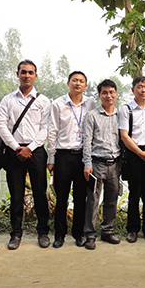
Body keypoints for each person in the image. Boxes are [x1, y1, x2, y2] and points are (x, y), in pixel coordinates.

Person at [0, 60, 51, 250]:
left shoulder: (43, 101)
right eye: (23, 72)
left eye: (30, 72)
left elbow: (46, 128)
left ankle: (43, 232)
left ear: (35, 75)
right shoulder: (7, 100)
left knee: (40, 193)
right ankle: (16, 233)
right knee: (16, 195)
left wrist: (31, 147)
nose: (27, 75)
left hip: (36, 152)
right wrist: (15, 147)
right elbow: (1, 125)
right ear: (17, 74)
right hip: (14, 152)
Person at [47, 71, 96, 248]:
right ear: (68, 83)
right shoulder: (57, 104)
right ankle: (59, 235)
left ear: (86, 85)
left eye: (81, 81)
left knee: (81, 197)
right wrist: (51, 157)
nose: (77, 83)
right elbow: (52, 131)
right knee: (61, 197)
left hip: (83, 156)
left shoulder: (91, 103)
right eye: (74, 80)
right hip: (63, 156)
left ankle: (78, 233)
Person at [119, 76, 145, 244]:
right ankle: (132, 229)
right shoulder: (126, 109)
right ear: (133, 90)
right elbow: (124, 136)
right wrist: (140, 153)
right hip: (134, 154)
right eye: (140, 87)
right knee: (134, 193)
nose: (143, 90)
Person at [82, 79, 121, 250]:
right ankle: (90, 234)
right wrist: (87, 163)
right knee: (93, 200)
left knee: (112, 199)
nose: (108, 95)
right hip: (96, 163)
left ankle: (107, 231)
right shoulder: (92, 116)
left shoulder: (121, 116)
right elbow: (87, 141)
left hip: (115, 164)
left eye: (111, 92)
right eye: (105, 92)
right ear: (99, 95)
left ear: (116, 94)